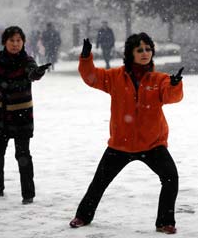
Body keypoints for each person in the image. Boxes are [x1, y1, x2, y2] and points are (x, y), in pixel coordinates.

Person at [69, 32, 184, 234]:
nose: (144, 53)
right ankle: (83, 216)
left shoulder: (160, 79)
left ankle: (165, 222)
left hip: (152, 144)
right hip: (120, 144)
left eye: (148, 49)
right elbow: (91, 77)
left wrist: (175, 85)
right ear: (130, 53)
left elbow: (171, 96)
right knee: (99, 182)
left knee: (171, 178)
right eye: (139, 50)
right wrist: (86, 58)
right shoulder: (115, 77)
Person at [0, 26, 51, 204]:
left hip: (21, 117)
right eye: (11, 41)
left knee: (23, 155)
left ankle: (28, 194)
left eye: (18, 41)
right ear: (5, 42)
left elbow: (32, 72)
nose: (15, 44)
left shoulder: (27, 61)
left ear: (23, 42)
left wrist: (37, 73)